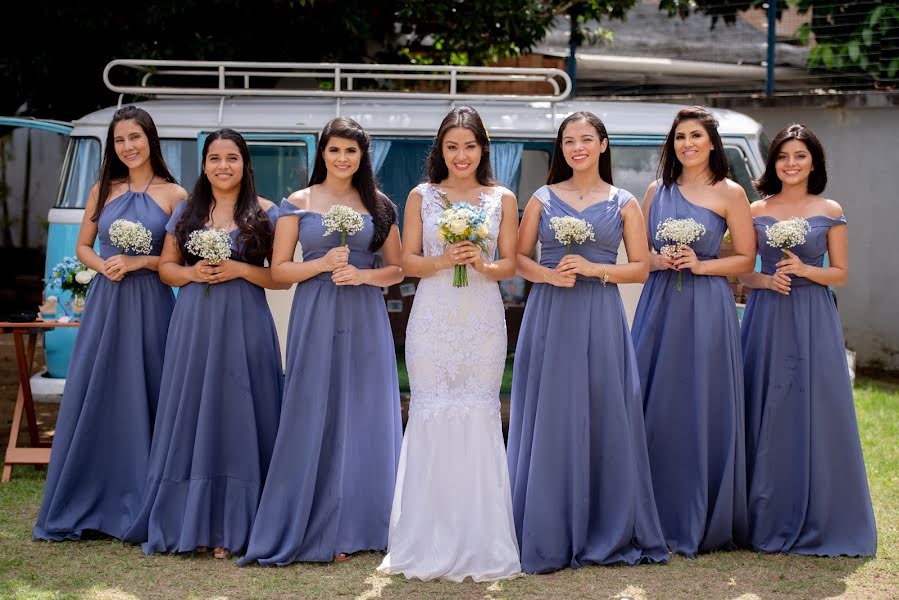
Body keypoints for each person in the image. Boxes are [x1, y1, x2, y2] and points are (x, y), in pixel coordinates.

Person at [507, 112, 668, 573]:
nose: (577, 147)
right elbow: (518, 258)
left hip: (600, 314)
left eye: (586, 139)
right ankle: (544, 522)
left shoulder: (624, 202)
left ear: (602, 145)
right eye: (569, 140)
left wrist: (595, 270)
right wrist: (548, 275)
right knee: (552, 410)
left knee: (602, 410)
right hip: (551, 313)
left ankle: (605, 522)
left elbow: (639, 267)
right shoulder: (541, 198)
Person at [238, 117, 404, 566]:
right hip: (315, 313)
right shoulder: (297, 202)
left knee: (364, 410)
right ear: (322, 153)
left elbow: (398, 269)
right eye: (335, 150)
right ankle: (314, 518)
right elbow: (278, 270)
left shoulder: (379, 204)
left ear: (362, 156)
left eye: (352, 151)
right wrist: (322, 264)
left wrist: (363, 275)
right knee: (315, 406)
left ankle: (365, 523)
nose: (343, 159)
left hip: (365, 315)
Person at [123, 129, 286, 559]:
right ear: (204, 164)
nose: (222, 166)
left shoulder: (266, 212)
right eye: (214, 158)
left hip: (246, 322)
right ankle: (189, 519)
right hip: (194, 322)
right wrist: (194, 274)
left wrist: (240, 269)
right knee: (193, 408)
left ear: (245, 164)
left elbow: (279, 278)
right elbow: (166, 269)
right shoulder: (186, 210)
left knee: (241, 408)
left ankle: (240, 522)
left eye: (231, 158)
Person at [377, 105, 522, 581]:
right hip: (434, 317)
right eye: (452, 146)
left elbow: (511, 266)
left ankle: (481, 540)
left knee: (478, 414)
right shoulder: (423, 195)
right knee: (432, 412)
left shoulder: (502, 197)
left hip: (481, 319)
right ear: (441, 150)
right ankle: (425, 539)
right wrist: (444, 261)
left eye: (470, 146)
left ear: (484, 149)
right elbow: (407, 263)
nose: (461, 155)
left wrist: (482, 263)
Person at [34, 106, 186, 542]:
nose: (128, 147)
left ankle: (145, 498)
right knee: (100, 388)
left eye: (135, 137)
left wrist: (140, 261)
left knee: (151, 387)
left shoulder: (175, 195)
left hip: (152, 303)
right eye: (120, 140)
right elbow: (83, 245)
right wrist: (104, 265)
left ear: (150, 139)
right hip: (107, 301)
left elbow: (181, 259)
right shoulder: (103, 188)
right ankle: (92, 495)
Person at [738, 124, 876, 556]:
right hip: (765, 314)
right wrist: (765, 279)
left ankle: (821, 509)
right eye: (783, 156)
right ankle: (759, 510)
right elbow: (741, 270)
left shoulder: (829, 208)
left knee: (813, 402)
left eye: (800, 155)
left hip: (813, 314)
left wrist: (804, 271)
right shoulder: (754, 208)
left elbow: (841, 272)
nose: (791, 163)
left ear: (813, 161)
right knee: (763, 400)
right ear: (772, 162)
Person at [630, 105, 755, 557]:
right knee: (653, 397)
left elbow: (744, 259)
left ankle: (700, 511)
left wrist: (701, 265)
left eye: (696, 136)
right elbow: (637, 251)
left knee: (701, 399)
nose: (687, 144)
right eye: (680, 137)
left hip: (707, 308)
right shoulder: (655, 191)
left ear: (711, 143)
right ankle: (646, 509)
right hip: (660, 303)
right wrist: (659, 259)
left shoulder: (731, 193)